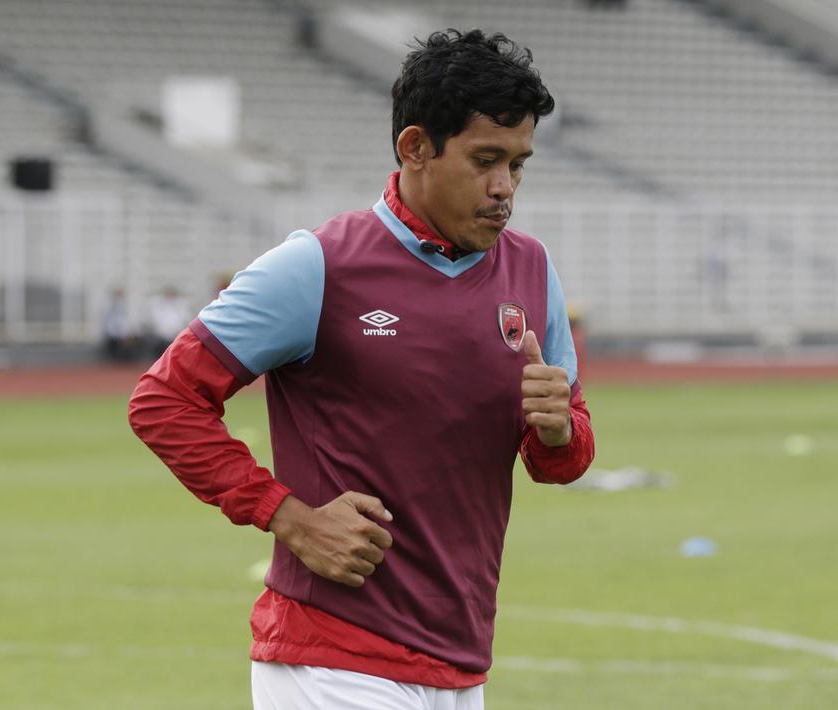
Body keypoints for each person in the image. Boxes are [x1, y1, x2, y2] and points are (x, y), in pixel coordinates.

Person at [129, 28, 595, 710]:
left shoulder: (531, 268)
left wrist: (558, 429)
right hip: (332, 660)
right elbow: (163, 400)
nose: (504, 188)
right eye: (485, 160)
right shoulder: (318, 266)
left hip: (459, 663)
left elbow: (561, 462)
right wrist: (287, 515)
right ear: (415, 147)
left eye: (518, 165)